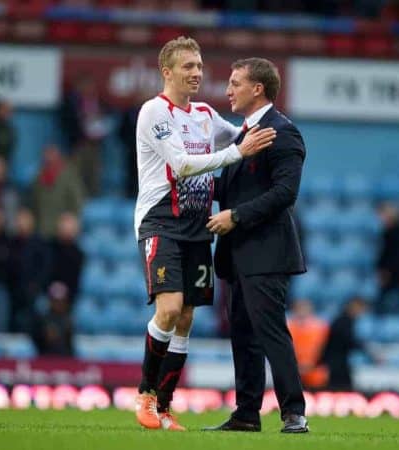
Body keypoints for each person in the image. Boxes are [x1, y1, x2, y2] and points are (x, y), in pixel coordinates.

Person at [134, 37, 275, 431]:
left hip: (198, 227)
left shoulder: (205, 115)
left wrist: (272, 128)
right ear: (167, 72)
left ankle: (163, 406)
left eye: (198, 65)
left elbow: (241, 135)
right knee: (169, 307)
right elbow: (180, 164)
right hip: (161, 220)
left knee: (187, 316)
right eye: (187, 67)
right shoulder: (154, 113)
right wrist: (238, 153)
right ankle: (144, 395)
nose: (197, 73)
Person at [204, 58, 308, 434]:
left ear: (258, 89)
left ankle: (294, 413)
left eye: (235, 83)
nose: (228, 90)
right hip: (238, 253)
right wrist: (190, 185)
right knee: (244, 335)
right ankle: (247, 413)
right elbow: (233, 187)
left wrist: (235, 216)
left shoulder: (283, 132)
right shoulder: (241, 135)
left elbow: (285, 193)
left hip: (267, 251)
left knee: (270, 331)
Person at [320, 296, 369, 391]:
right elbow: (348, 341)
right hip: (336, 362)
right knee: (341, 388)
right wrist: (365, 349)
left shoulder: (342, 320)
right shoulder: (343, 322)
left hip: (338, 360)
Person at [375, 203, 399, 314]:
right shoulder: (395, 231)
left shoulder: (395, 233)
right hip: (396, 271)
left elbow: (392, 254)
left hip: (394, 271)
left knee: (391, 298)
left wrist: (385, 270)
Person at [287, 299, 329, 389]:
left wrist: (311, 365)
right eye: (299, 309)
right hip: (293, 369)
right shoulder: (289, 327)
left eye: (305, 309)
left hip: (315, 369)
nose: (302, 312)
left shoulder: (320, 327)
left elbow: (323, 349)